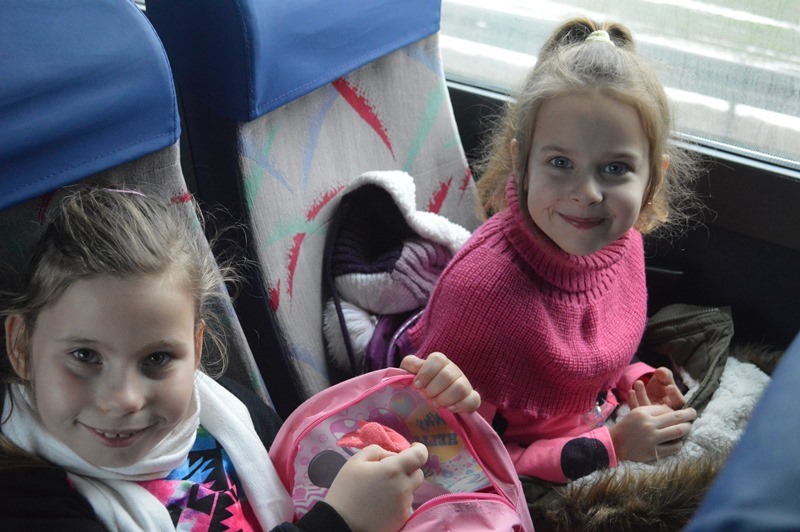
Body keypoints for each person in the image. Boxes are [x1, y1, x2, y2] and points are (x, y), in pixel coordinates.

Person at [0, 186, 480, 532]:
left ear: (196, 347)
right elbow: (334, 511)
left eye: (158, 358)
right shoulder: (27, 500)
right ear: (21, 346)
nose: (123, 399)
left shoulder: (223, 412)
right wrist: (339, 524)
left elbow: (317, 466)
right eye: (84, 356)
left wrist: (423, 408)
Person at [406, 17, 701, 487]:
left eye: (615, 168)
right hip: (517, 474)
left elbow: (594, 362)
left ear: (653, 178)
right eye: (560, 163)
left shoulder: (623, 243)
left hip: (591, 429)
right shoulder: (482, 295)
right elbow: (451, 458)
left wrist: (635, 379)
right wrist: (612, 447)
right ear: (521, 163)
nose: (587, 193)